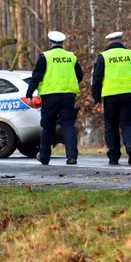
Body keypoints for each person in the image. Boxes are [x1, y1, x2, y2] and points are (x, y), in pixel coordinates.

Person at [25, 31, 83, 165]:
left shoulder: (45, 57)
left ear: (50, 43)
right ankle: (72, 156)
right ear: (62, 43)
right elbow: (79, 75)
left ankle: (44, 157)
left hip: (50, 97)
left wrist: (29, 94)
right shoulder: (71, 57)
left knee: (48, 126)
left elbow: (36, 76)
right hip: (68, 96)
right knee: (68, 125)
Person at [92, 31, 131, 165]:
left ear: (108, 42)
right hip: (128, 95)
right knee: (128, 123)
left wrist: (96, 98)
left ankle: (114, 156)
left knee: (111, 126)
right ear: (121, 41)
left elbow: (97, 78)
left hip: (110, 96)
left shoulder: (103, 56)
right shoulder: (130, 54)